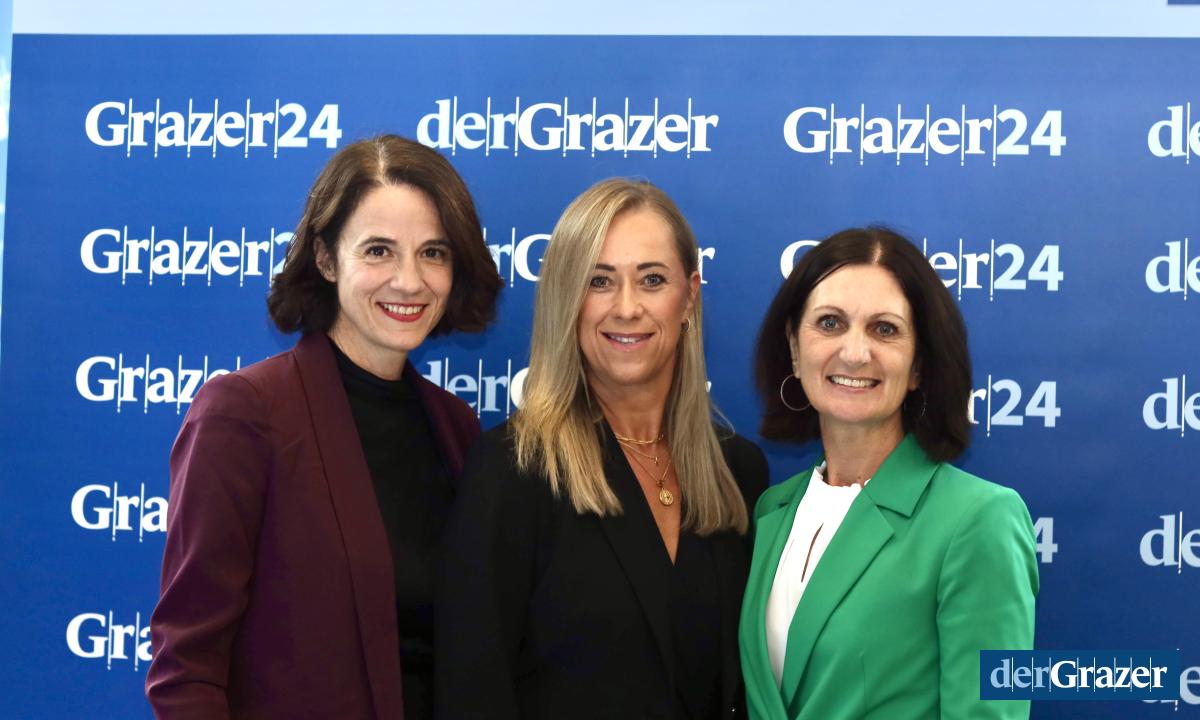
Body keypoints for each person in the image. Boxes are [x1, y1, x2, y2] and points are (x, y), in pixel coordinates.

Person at [146, 135, 502, 720]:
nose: (409, 280)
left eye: (433, 253)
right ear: (327, 258)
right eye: (379, 250)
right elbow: (186, 668)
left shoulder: (457, 428)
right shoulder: (245, 414)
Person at [436, 178, 768, 720]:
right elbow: (471, 693)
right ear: (567, 298)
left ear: (689, 295)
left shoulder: (739, 473)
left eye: (652, 280)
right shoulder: (513, 470)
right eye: (599, 281)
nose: (627, 307)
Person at [739, 227, 1038, 720]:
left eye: (884, 329)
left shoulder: (980, 520)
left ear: (919, 364)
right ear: (794, 347)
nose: (855, 353)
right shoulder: (773, 510)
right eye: (830, 323)